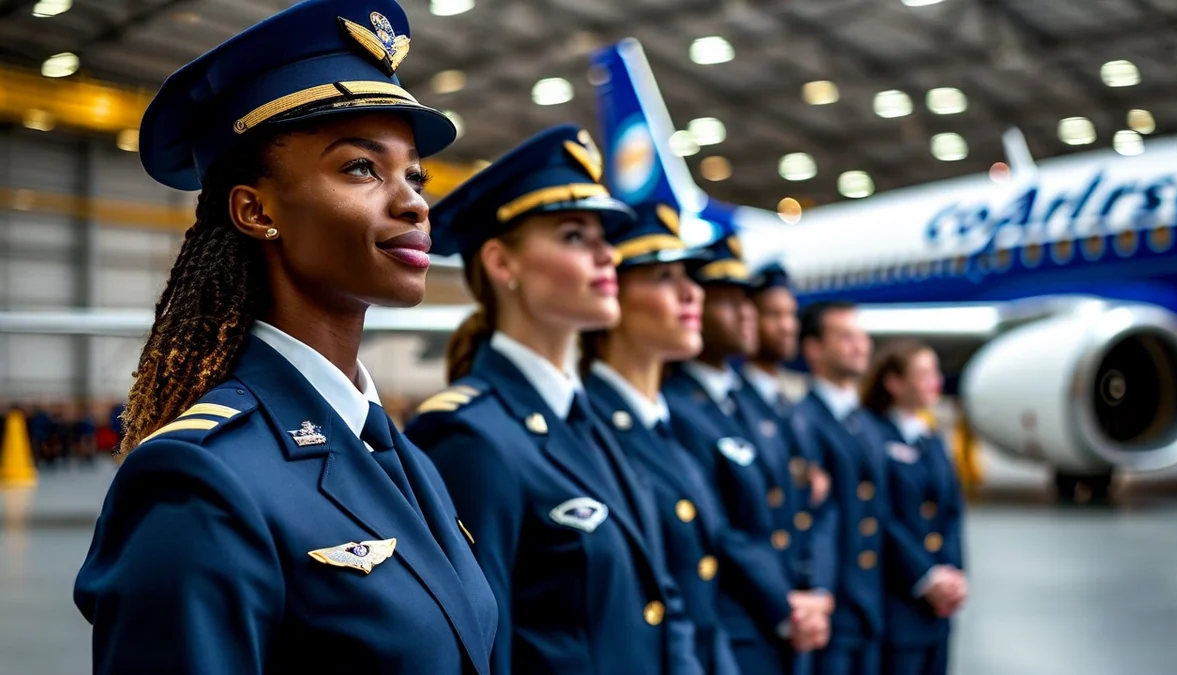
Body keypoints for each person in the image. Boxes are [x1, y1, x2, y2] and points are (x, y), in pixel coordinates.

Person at [73, 2, 498, 673]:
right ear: (255, 209)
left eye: (414, 175)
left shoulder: (402, 457)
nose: (414, 202)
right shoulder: (200, 479)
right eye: (361, 167)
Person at [403, 126, 703, 675]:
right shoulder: (471, 437)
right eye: (574, 236)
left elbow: (663, 598)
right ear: (502, 264)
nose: (607, 255)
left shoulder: (591, 420)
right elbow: (484, 648)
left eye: (604, 237)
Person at [580, 203, 741, 674]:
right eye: (663, 277)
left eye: (688, 277)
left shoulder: (668, 422)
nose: (693, 293)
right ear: (612, 291)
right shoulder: (589, 425)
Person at [663, 237, 833, 675]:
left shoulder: (745, 404)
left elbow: (796, 505)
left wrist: (809, 592)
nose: (746, 314)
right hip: (740, 617)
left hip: (782, 613)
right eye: (728, 303)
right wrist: (784, 605)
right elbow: (721, 527)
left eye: (747, 303)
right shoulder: (677, 405)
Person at [738, 263, 840, 670]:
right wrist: (787, 605)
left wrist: (819, 590)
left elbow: (821, 508)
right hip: (761, 615)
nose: (787, 327)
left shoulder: (791, 410)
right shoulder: (733, 408)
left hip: (804, 609)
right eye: (773, 315)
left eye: (790, 315)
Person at [860, 341, 967, 675]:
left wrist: (952, 572)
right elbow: (881, 515)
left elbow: (951, 511)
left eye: (935, 372)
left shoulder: (930, 438)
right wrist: (926, 576)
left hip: (938, 603)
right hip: (900, 595)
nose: (935, 382)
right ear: (894, 382)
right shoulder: (873, 436)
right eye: (923, 374)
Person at [795, 301, 887, 675]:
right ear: (814, 349)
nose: (860, 346)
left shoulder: (868, 424)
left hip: (873, 608)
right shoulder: (801, 421)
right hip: (832, 607)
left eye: (862, 336)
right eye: (846, 337)